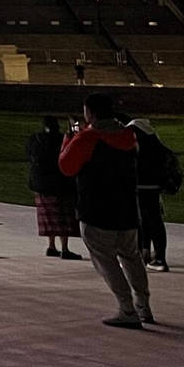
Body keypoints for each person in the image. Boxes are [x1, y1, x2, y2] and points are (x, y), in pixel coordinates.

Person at [58, 92, 152, 328]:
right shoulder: (129, 135)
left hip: (97, 208)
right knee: (132, 257)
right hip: (128, 208)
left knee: (106, 261)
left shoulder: (88, 138)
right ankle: (143, 305)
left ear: (90, 113)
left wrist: (68, 139)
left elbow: (66, 166)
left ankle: (126, 308)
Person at [26, 115, 81, 260]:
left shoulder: (35, 139)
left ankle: (51, 246)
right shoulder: (61, 139)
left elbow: (29, 154)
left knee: (49, 218)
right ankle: (64, 248)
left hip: (41, 184)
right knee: (63, 217)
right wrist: (74, 124)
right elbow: (77, 138)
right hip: (61, 183)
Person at [128, 118, 175, 271]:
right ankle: (156, 255)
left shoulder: (136, 142)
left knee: (144, 221)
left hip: (141, 187)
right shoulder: (155, 144)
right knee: (153, 220)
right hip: (154, 188)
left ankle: (152, 256)